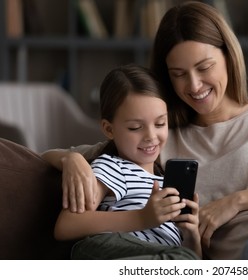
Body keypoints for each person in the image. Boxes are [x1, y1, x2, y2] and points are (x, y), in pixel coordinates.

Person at [42, 1, 248, 260]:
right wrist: (72, 163)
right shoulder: (162, 137)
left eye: (204, 67)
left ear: (228, 57)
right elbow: (56, 155)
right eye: (179, 73)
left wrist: (237, 201)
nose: (194, 85)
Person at [52, 64, 201, 259]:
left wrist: (192, 234)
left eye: (160, 124)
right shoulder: (113, 167)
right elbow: (66, 225)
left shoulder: (167, 184)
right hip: (108, 249)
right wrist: (142, 218)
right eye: (135, 127)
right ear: (109, 129)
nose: (150, 136)